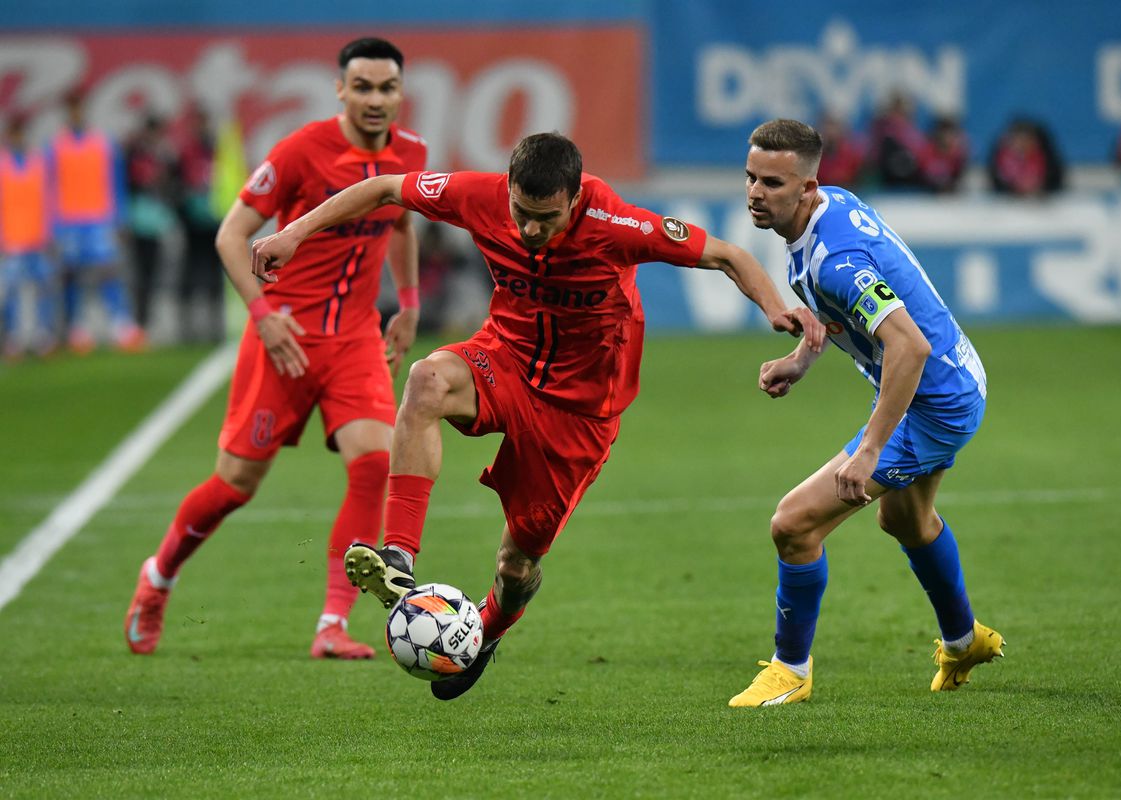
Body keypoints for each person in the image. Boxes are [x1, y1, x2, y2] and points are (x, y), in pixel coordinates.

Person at [250, 131, 825, 700]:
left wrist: (777, 308)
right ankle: (399, 552)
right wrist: (294, 234)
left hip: (579, 414)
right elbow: (382, 188)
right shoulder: (479, 196)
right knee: (426, 380)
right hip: (506, 357)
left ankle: (482, 634)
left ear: (575, 200)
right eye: (521, 213)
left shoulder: (618, 224)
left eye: (545, 219)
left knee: (516, 565)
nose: (529, 229)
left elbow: (729, 254)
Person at [123, 37, 426, 660]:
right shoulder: (300, 151)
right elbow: (233, 236)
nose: (375, 99)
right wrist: (261, 317)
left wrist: (411, 301)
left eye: (386, 87)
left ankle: (332, 625)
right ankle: (158, 579)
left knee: (373, 464)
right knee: (235, 484)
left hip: (355, 340)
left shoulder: (411, 153)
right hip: (284, 339)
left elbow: (399, 221)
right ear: (339, 90)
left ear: (400, 92)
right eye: (362, 87)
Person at [729, 119, 1003, 708]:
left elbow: (909, 345)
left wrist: (872, 449)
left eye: (773, 183)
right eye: (751, 177)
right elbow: (850, 312)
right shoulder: (825, 211)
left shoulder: (834, 258)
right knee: (905, 521)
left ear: (808, 187)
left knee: (794, 524)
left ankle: (790, 670)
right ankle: (964, 640)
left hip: (933, 403)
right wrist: (804, 357)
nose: (755, 192)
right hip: (953, 378)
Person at [51, 88, 142, 353]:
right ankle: (78, 328)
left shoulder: (102, 144)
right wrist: (54, 226)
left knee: (109, 272)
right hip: (69, 221)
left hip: (99, 219)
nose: (76, 113)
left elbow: (116, 183)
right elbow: (50, 188)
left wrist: (119, 217)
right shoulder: (56, 147)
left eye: (79, 107)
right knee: (73, 277)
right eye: (71, 108)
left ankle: (120, 325)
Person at [1, 114, 57, 361]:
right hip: (11, 239)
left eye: (22, 132)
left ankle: (43, 335)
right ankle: (13, 338)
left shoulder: (38, 162)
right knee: (10, 290)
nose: (18, 138)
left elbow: (49, 199)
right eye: (15, 133)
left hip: (37, 237)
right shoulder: (2, 165)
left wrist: (50, 232)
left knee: (44, 287)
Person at [172, 105, 226, 343]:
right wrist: (183, 211)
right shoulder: (186, 152)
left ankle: (215, 325)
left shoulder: (218, 150)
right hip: (193, 223)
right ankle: (188, 327)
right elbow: (175, 184)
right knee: (191, 271)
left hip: (216, 219)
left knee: (216, 272)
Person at [123, 113, 178, 336]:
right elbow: (127, 185)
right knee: (140, 274)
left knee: (155, 273)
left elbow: (172, 184)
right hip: (138, 222)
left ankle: (148, 320)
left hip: (157, 222)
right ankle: (140, 322)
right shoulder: (134, 154)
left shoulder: (163, 156)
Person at [988, 117, 1064, 197]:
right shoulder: (1002, 158)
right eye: (1019, 141)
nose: (1022, 146)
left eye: (1027, 141)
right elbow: (997, 180)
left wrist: (1042, 187)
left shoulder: (1046, 159)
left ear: (1036, 142)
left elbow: (1055, 179)